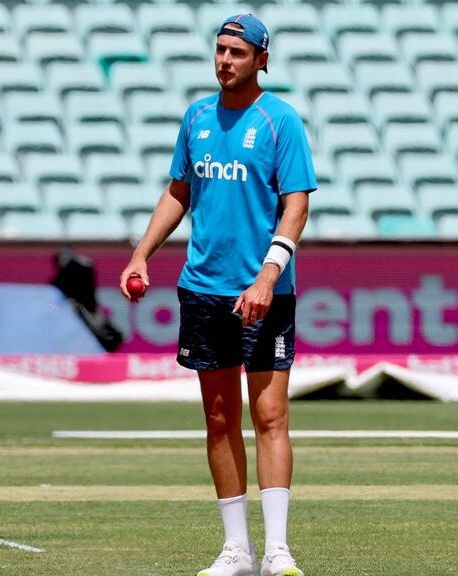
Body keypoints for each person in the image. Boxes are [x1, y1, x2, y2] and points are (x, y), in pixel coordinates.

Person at [120, 14, 315, 576]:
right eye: (220, 50)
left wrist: (267, 277)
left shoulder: (281, 121)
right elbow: (179, 192)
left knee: (271, 414)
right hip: (204, 289)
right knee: (219, 417)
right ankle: (237, 551)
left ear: (262, 59)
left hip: (264, 291)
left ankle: (277, 550)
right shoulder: (197, 117)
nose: (225, 60)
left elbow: (296, 206)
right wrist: (141, 254)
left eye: (238, 52)